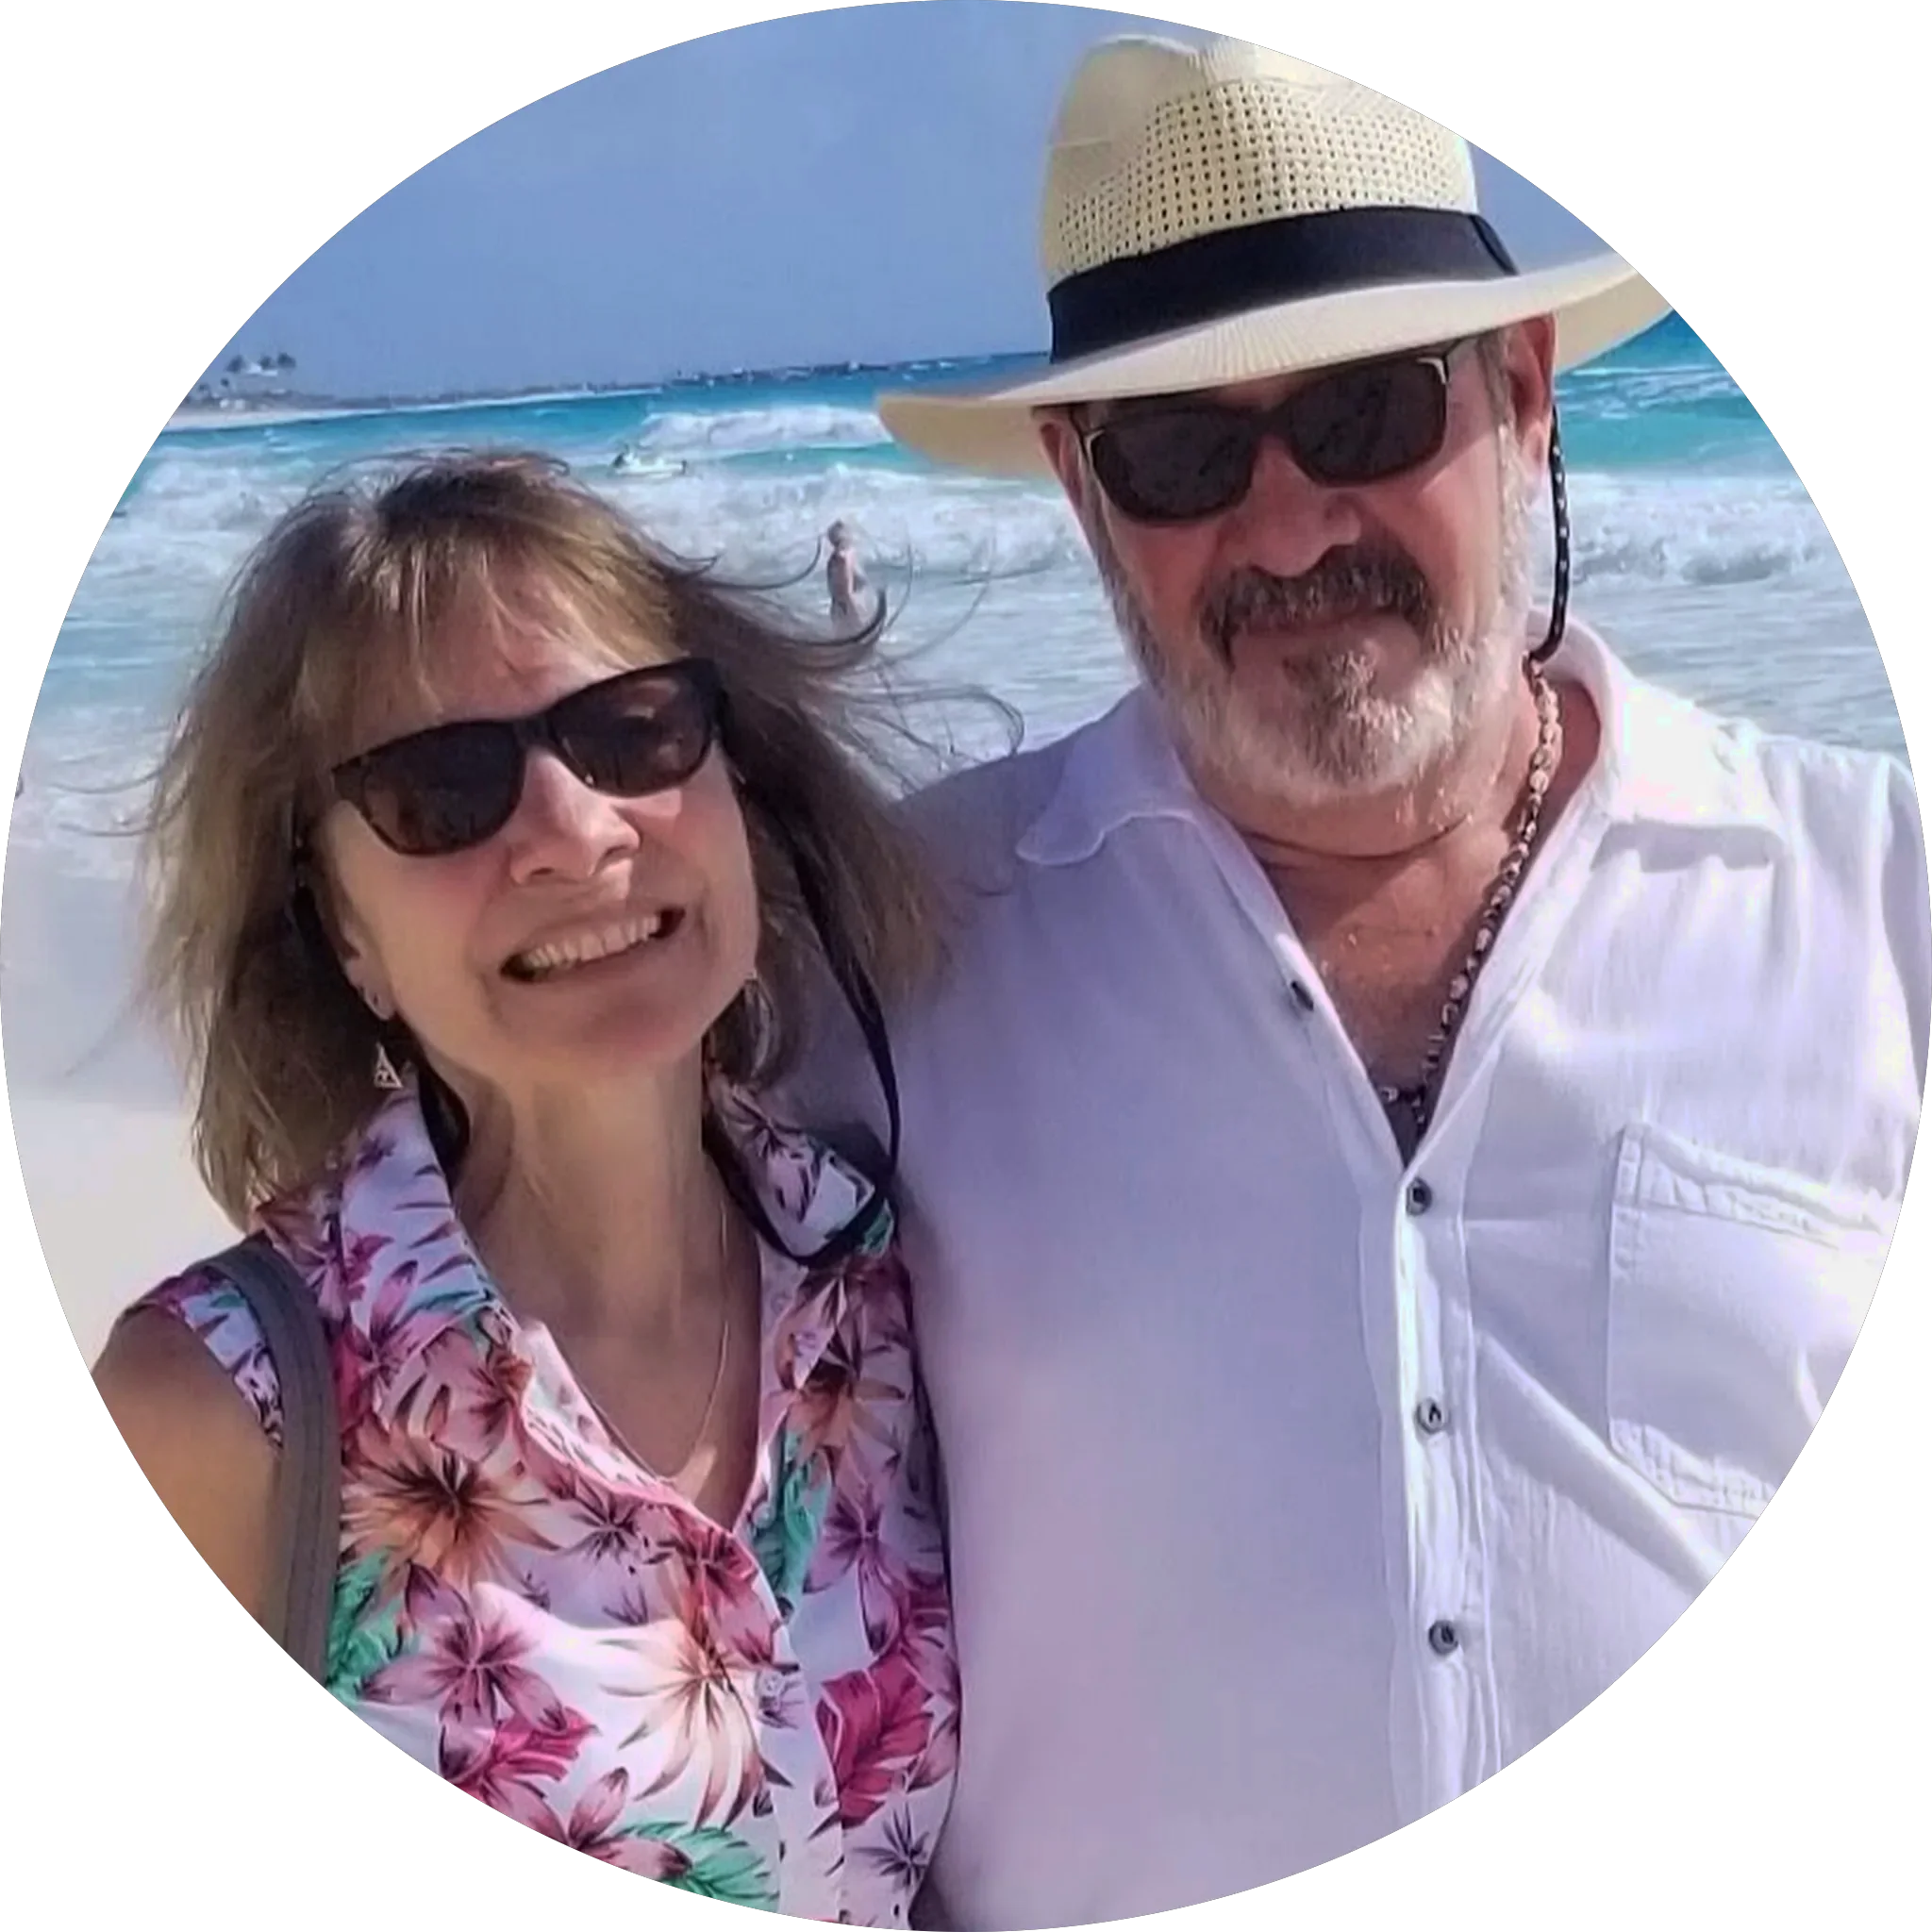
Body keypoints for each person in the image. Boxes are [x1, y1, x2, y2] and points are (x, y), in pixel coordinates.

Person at [786, 34, 1930, 1929]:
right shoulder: (892, 950)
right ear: (1080, 488)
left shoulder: (1873, 903)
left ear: (1524, 393)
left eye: (1366, 412)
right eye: (1181, 453)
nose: (1292, 523)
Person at [92, 452, 958, 1922]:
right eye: (442, 789)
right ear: (343, 934)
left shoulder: (877, 1282)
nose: (574, 829)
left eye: (634, 732)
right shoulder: (223, 1414)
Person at [827, 520, 866, 624]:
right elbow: (847, 591)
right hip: (846, 605)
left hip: (842, 604)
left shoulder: (840, 557)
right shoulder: (846, 556)